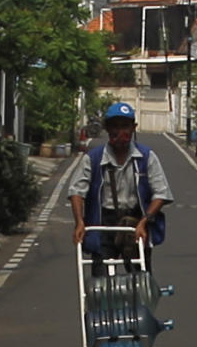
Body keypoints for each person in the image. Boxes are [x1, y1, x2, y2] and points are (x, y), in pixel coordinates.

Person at [74, 99, 172, 249]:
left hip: (135, 221)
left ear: (133, 128)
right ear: (107, 128)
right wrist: (79, 222)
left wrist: (144, 221)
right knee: (101, 268)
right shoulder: (92, 159)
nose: (120, 132)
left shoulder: (146, 157)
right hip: (103, 222)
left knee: (140, 270)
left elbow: (161, 193)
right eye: (115, 126)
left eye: (125, 126)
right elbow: (77, 192)